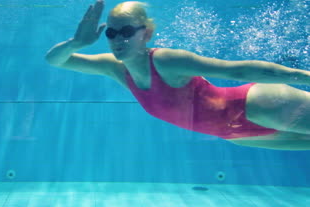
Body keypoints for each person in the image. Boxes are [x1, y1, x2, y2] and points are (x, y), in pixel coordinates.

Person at [45, 0, 310, 150]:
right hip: (238, 134)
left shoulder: (165, 60)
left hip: (258, 105)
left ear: (146, 34)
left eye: (126, 32)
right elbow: (56, 60)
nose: (118, 39)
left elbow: (237, 69)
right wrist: (76, 43)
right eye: (111, 33)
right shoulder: (114, 67)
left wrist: (304, 76)